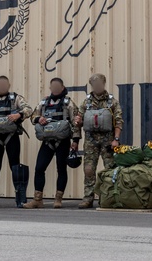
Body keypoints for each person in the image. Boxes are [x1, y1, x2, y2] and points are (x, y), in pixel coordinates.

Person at [24, 77, 80, 209]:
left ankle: (58, 199)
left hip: (63, 141)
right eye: (52, 86)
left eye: (57, 86)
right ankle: (37, 199)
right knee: (39, 168)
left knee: (61, 169)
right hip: (47, 142)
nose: (54, 89)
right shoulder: (43, 102)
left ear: (62, 87)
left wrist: (76, 141)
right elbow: (33, 116)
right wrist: (39, 119)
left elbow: (76, 123)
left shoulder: (68, 103)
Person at [0, 76, 33, 208]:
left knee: (15, 165)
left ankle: (20, 198)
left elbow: (29, 110)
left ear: (8, 85)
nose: (2, 86)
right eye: (0, 84)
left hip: (11, 136)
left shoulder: (16, 98)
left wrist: (19, 115)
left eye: (4, 84)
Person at [74, 73, 123, 209]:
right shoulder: (86, 102)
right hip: (90, 140)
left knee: (110, 169)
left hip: (108, 140)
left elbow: (119, 121)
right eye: (94, 85)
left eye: (99, 84)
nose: (97, 87)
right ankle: (88, 198)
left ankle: (110, 197)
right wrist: (78, 122)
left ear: (104, 83)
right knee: (89, 169)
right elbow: (78, 121)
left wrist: (116, 139)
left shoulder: (112, 102)